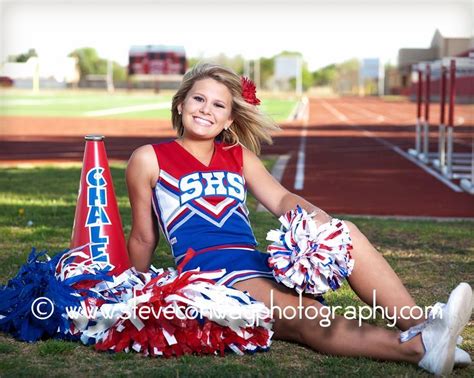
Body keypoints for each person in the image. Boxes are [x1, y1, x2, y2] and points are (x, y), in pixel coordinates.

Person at [125, 63, 472, 375]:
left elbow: (280, 198)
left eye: (218, 105)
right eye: (198, 99)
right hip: (211, 278)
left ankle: (422, 326)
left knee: (344, 232)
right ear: (181, 103)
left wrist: (319, 222)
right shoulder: (149, 159)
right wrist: (135, 293)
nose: (205, 110)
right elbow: (143, 237)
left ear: (230, 119)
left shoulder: (237, 155)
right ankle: (420, 350)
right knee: (310, 317)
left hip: (257, 264)